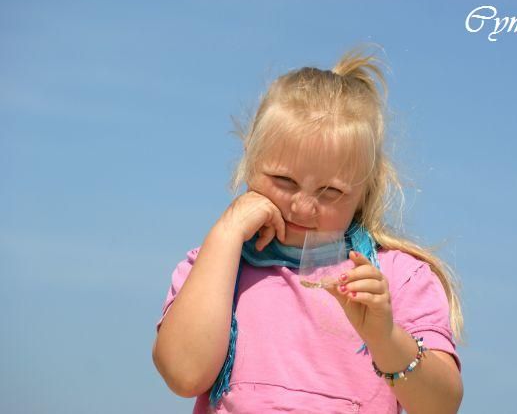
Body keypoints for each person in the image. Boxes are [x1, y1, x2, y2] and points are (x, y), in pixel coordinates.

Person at [152, 43, 465, 414]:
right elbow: (183, 374)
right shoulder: (216, 264)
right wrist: (226, 233)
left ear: (364, 192)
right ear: (250, 161)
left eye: (330, 191)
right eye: (284, 180)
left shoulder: (396, 278)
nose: (302, 207)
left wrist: (385, 337)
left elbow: (441, 405)